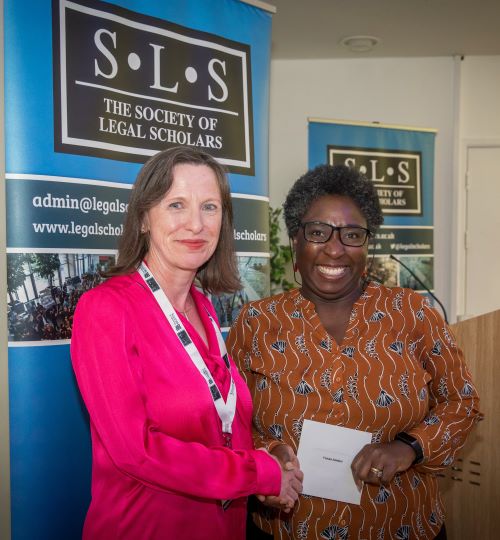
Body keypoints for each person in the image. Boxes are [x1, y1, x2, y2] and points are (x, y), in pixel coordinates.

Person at [227, 164, 482, 540]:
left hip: (401, 525)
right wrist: (270, 451)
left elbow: (462, 402)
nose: (334, 249)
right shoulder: (257, 322)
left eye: (351, 234)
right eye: (318, 233)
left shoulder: (412, 312)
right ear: (296, 241)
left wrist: (409, 447)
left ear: (368, 244)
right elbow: (227, 421)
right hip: (289, 528)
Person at [70, 146, 303, 540]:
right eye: (176, 204)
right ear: (144, 217)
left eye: (209, 207)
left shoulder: (205, 309)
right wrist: (258, 473)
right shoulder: (106, 309)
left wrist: (267, 460)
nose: (196, 224)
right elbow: (136, 451)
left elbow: (219, 421)